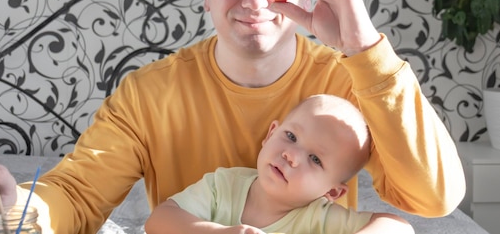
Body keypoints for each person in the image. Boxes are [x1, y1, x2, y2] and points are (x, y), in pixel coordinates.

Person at [0, 0, 465, 234]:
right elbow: (75, 193)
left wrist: (363, 46)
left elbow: (435, 198)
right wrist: (14, 212)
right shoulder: (148, 95)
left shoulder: (348, 82)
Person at [145, 94, 415, 234]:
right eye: (291, 136)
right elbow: (158, 221)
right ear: (270, 134)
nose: (291, 155)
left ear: (332, 192)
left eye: (315, 159)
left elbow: (400, 227)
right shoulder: (223, 186)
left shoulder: (318, 219)